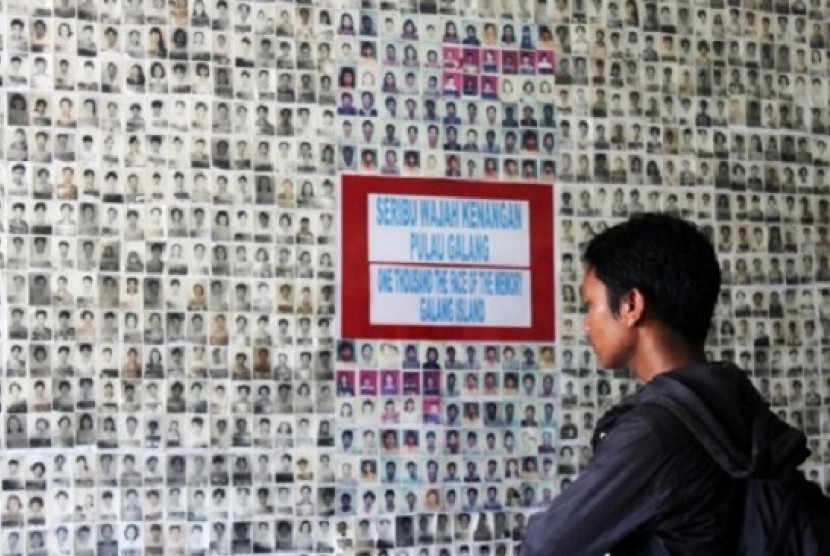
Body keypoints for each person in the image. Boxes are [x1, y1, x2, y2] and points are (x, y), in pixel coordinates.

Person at [522, 213, 824, 555]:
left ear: (631, 305)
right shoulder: (733, 399)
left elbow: (546, 546)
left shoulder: (655, 431)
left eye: (590, 305)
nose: (586, 327)